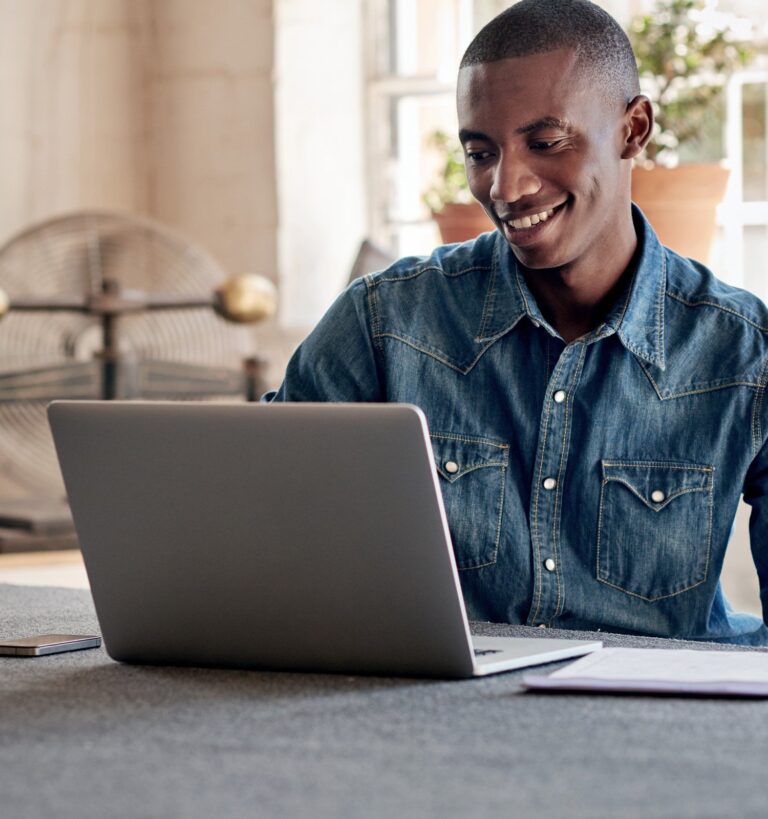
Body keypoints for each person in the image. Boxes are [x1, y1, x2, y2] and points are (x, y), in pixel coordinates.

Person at [265, 0, 768, 645]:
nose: (506, 186)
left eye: (546, 143)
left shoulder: (745, 354)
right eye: (480, 153)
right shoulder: (383, 322)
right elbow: (265, 526)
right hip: (440, 718)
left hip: (662, 723)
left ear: (633, 129)